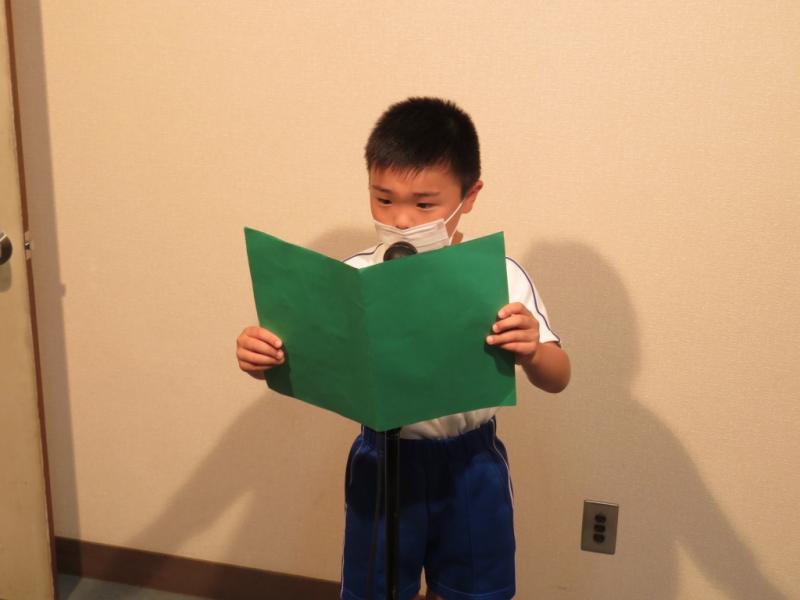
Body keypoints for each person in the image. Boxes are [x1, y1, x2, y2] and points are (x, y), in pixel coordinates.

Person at [236, 97, 571, 600]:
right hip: (384, 461)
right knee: (376, 588)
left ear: (470, 195)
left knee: (476, 589)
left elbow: (558, 376)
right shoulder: (355, 277)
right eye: (384, 200)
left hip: (471, 463)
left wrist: (532, 351)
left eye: (425, 204)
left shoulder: (497, 277)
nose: (403, 219)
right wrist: (261, 355)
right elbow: (306, 355)